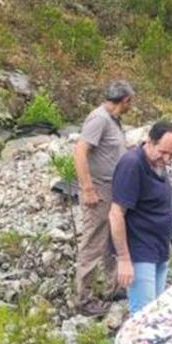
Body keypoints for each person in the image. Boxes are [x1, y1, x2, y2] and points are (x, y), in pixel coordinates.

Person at [72, 80, 134, 316]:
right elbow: (80, 151)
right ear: (125, 100)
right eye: (130, 101)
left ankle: (112, 286)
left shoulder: (113, 121)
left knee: (111, 238)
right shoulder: (99, 118)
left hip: (112, 187)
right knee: (94, 241)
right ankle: (82, 299)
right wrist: (87, 188)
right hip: (99, 189)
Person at [109, 120, 172, 314]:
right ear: (150, 141)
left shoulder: (157, 164)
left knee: (156, 312)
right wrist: (124, 259)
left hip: (159, 248)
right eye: (163, 152)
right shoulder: (132, 164)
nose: (167, 159)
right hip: (139, 251)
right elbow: (116, 213)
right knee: (143, 315)